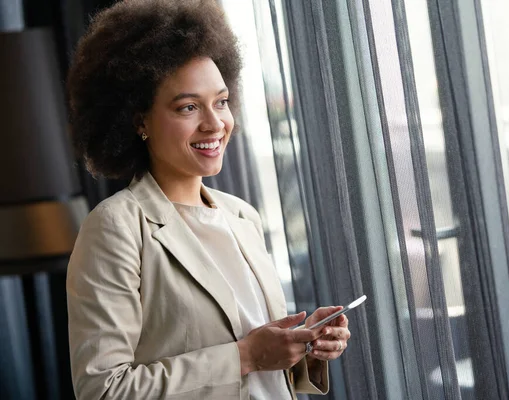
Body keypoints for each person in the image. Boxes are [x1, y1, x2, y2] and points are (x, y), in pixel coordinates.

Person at [65, 1, 351, 399]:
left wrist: (304, 348)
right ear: (138, 120)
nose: (215, 123)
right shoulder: (115, 228)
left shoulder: (241, 216)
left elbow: (256, 367)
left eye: (220, 101)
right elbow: (103, 389)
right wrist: (245, 356)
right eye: (188, 107)